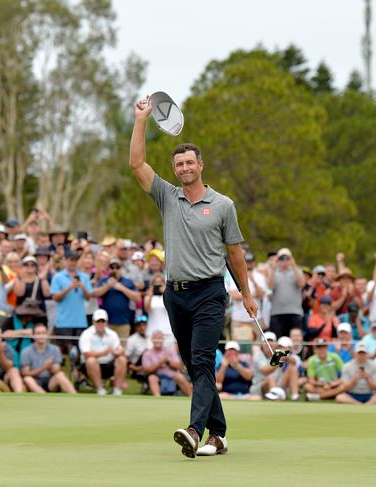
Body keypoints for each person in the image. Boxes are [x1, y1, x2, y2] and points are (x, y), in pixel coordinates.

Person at [131, 98, 257, 458]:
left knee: (202, 361)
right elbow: (136, 163)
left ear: (200, 165)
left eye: (190, 162)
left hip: (209, 294)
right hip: (175, 295)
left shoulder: (223, 205)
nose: (184, 168)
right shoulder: (167, 197)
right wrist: (141, 120)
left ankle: (193, 431)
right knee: (195, 365)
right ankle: (219, 434)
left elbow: (234, 253)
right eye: (179, 164)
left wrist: (246, 294)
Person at [78, 309, 127, 395]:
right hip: (90, 366)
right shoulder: (86, 334)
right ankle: (100, 390)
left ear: (106, 322)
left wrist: (119, 352)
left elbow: (118, 349)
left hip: (108, 365)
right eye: (98, 321)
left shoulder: (113, 334)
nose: (100, 324)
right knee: (91, 360)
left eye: (103, 321)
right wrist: (103, 353)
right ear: (93, 322)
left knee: (122, 359)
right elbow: (86, 354)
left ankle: (117, 390)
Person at [93, 257, 141, 340]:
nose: (114, 270)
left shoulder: (127, 281)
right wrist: (107, 286)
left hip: (123, 322)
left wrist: (121, 288)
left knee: (122, 348)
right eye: (112, 267)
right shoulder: (103, 280)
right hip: (105, 323)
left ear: (121, 269)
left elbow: (137, 297)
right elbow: (94, 294)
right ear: (109, 269)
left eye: (117, 267)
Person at [20, 324, 76, 394]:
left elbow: (56, 370)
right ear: (33, 336)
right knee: (27, 379)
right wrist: (44, 367)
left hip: (50, 381)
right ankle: (44, 396)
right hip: (34, 381)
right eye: (38, 333)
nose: (41, 335)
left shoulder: (55, 349)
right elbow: (25, 373)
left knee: (60, 375)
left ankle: (75, 396)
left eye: (43, 333)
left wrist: (50, 367)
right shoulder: (26, 351)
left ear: (47, 335)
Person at [268, 248, 306, 339]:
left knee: (295, 340)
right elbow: (270, 287)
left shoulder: (297, 271)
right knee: (279, 340)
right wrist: (273, 268)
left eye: (287, 258)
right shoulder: (274, 273)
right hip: (277, 313)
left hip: (294, 312)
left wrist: (294, 265)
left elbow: (301, 284)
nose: (284, 261)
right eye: (281, 258)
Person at [143, 330, 192, 397]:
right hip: (156, 375)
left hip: (172, 374)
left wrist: (167, 361)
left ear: (163, 339)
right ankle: (157, 398)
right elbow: (147, 370)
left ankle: (191, 397)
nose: (157, 340)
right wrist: (160, 363)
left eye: (160, 338)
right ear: (152, 339)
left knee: (180, 377)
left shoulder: (170, 351)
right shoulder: (147, 353)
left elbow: (178, 366)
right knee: (152, 378)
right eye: (155, 338)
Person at [143, 272, 174, 346]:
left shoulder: (168, 296)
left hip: (167, 331)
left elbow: (172, 308)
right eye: (155, 283)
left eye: (160, 283)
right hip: (152, 331)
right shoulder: (148, 297)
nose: (158, 285)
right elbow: (147, 309)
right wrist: (150, 295)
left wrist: (166, 293)